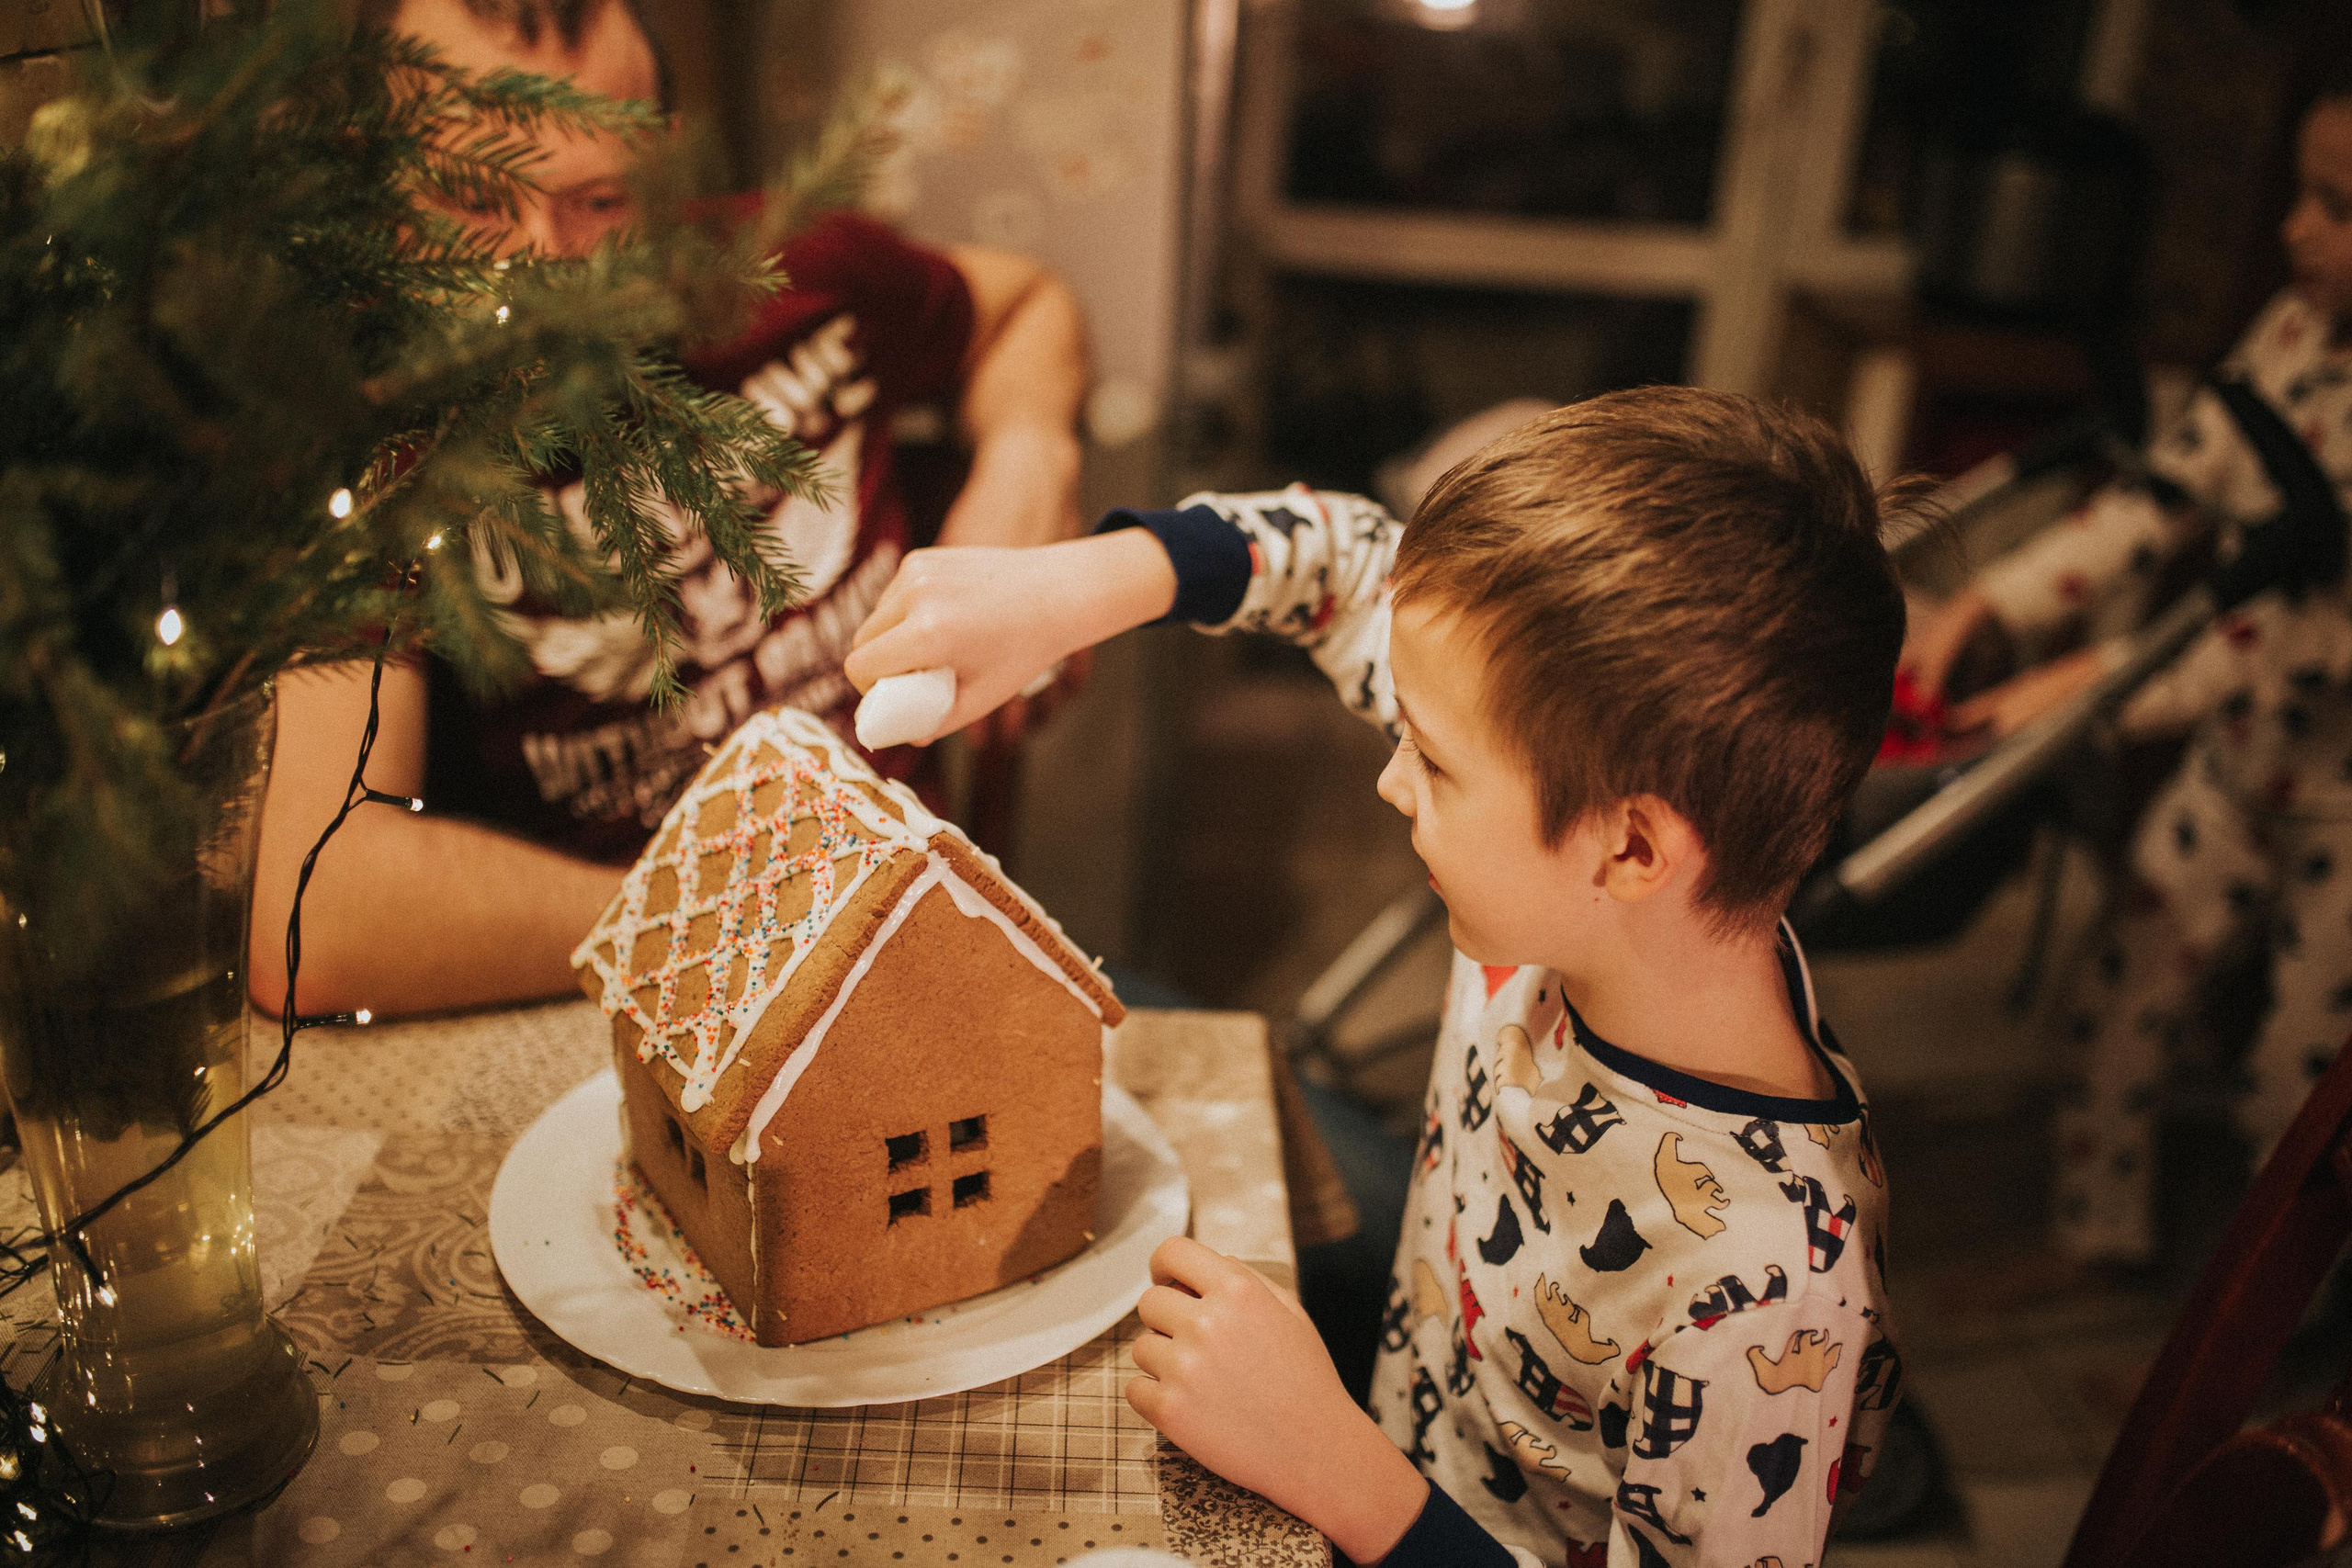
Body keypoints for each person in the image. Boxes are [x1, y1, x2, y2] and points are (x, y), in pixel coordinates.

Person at [846, 389, 1913, 1566]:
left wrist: (1343, 1472)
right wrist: (1073, 591)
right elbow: (1355, 568)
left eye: (1436, 761)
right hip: (1407, 1407)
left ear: (1632, 847)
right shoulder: (1587, 916)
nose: (1390, 778)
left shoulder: (1766, 1289)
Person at [250, 0, 1090, 1018]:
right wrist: (748, 924)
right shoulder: (360, 433)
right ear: (378, 189)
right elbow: (318, 918)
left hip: (926, 962)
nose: (544, 267)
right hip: (600, 1013)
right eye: (474, 200)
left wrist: (1028, 455)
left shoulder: (793, 275)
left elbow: (1027, 304)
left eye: (601, 202)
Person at [1903, 72, 2352, 1269]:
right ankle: (2099, 1255)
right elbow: (2163, 505)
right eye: (2302, 192)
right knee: (2119, 1008)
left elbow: (2307, 638)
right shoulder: (2296, 337)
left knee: (2292, 1094)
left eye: (2336, 205)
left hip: (2343, 812)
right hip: (2232, 772)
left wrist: (2093, 685)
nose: (2295, 229)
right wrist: (1990, 605)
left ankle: (2255, 1356)